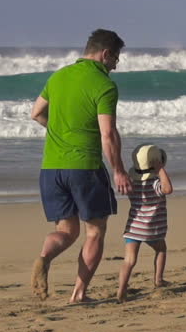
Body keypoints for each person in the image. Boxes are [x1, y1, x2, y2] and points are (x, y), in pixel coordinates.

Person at [29, 29, 132, 303]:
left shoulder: (59, 76)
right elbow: (108, 133)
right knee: (95, 231)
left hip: (51, 168)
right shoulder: (104, 84)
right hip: (84, 167)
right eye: (116, 58)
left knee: (66, 231)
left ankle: (43, 258)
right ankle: (78, 294)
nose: (116, 64)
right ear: (105, 54)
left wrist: (61, 130)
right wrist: (119, 170)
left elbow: (36, 113)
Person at [117, 144, 173, 303]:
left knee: (129, 260)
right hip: (153, 229)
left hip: (133, 228)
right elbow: (168, 189)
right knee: (161, 250)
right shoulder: (155, 184)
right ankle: (158, 280)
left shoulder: (132, 184)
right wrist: (160, 170)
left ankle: (121, 291)